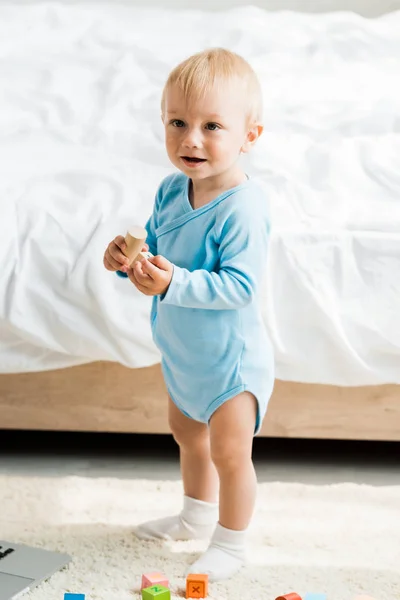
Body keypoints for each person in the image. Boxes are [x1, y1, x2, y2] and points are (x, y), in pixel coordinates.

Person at [103, 47, 274, 582]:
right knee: (184, 431)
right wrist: (127, 261)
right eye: (177, 122)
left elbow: (240, 286)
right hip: (184, 354)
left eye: (212, 126)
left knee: (229, 450)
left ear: (249, 137)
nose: (190, 139)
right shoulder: (170, 190)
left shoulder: (244, 207)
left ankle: (231, 540)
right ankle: (195, 514)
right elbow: (156, 249)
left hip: (230, 363)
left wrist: (173, 280)